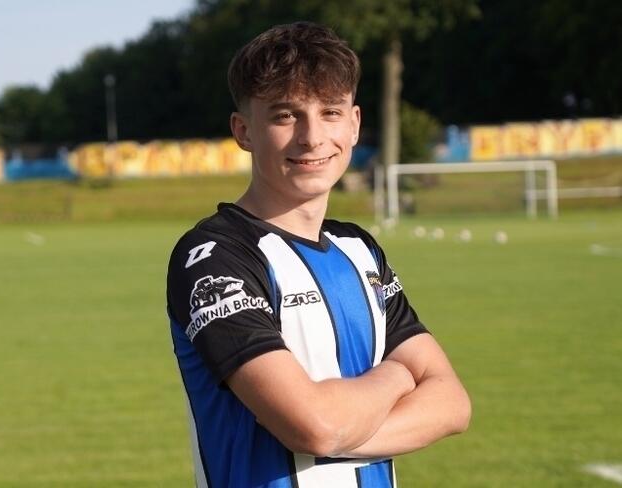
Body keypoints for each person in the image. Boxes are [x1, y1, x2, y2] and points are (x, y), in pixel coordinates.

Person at [167, 21, 471, 488]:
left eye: (330, 112)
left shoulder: (360, 250)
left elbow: (452, 405)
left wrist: (336, 430)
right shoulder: (214, 257)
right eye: (285, 116)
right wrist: (397, 376)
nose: (311, 137)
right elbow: (314, 427)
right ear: (243, 131)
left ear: (354, 124)